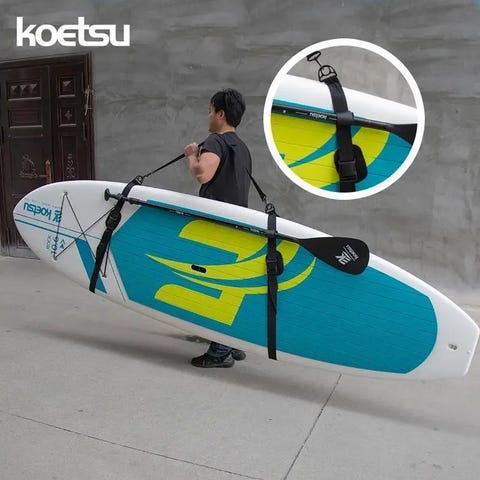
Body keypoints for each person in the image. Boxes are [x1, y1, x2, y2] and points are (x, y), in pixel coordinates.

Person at [184, 88, 251, 368]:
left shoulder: (216, 141)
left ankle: (220, 351)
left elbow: (202, 173)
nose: (208, 115)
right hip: (236, 225)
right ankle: (232, 343)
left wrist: (192, 155)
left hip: (216, 226)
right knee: (227, 283)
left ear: (221, 114)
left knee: (212, 283)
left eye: (210, 110)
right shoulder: (243, 148)